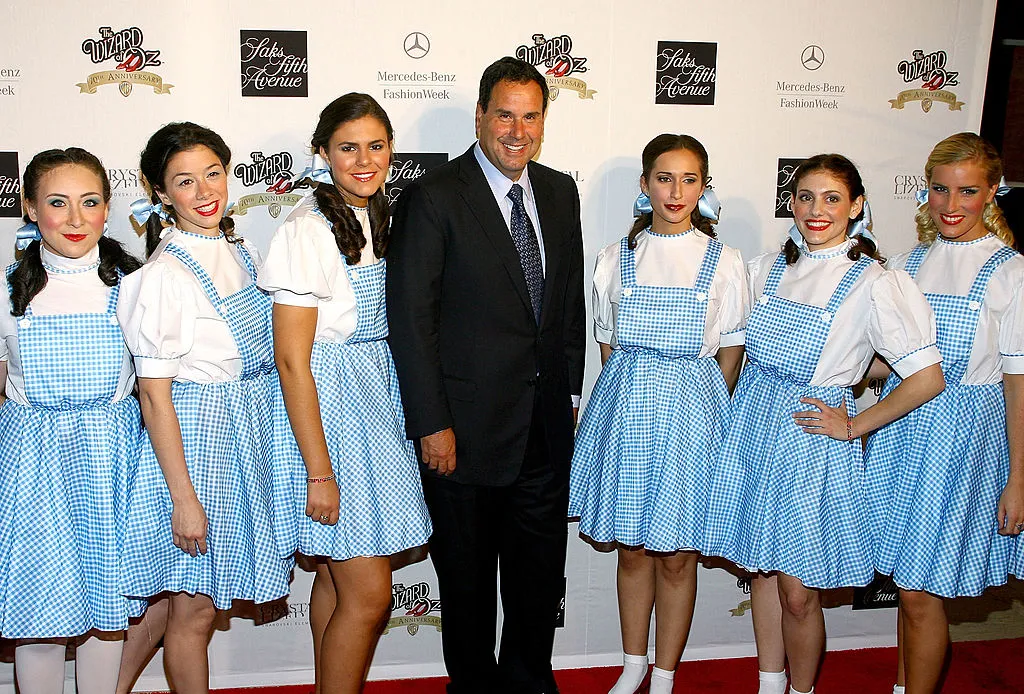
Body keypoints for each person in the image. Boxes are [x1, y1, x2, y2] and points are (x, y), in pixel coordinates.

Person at [702, 154, 945, 694]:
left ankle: (802, 689)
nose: (817, 210)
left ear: (857, 206)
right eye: (806, 197)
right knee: (759, 571)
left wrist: (855, 424)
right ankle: (769, 684)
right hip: (754, 429)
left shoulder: (876, 283)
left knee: (798, 592)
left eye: (833, 198)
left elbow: (926, 377)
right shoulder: (767, 268)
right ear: (791, 202)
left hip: (812, 445)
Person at [386, 56, 586, 694]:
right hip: (462, 435)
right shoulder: (433, 195)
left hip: (544, 431)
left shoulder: (559, 192)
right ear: (480, 115)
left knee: (535, 582)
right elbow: (413, 322)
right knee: (467, 587)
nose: (517, 130)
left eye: (531, 117)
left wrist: (570, 397)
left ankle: (529, 683)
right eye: (505, 114)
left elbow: (565, 307)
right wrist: (431, 424)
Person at [259, 92, 432, 693]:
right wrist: (318, 471)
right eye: (347, 148)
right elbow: (290, 361)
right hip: (329, 418)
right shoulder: (306, 232)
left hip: (373, 406)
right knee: (368, 593)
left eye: (376, 146)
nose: (364, 160)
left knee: (335, 582)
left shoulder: (377, 216)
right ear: (323, 154)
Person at [117, 122, 295, 693]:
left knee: (174, 611)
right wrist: (184, 501)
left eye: (213, 174)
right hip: (197, 449)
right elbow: (154, 396)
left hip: (242, 437)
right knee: (193, 614)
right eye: (185, 182)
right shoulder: (165, 275)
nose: (205, 192)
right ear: (160, 192)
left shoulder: (240, 249)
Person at [568, 134, 746, 694]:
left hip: (693, 417)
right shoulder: (612, 258)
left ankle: (666, 672)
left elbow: (731, 351)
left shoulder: (726, 261)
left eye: (689, 179)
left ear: (704, 188)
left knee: (676, 557)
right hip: (627, 411)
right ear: (644, 185)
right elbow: (607, 348)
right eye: (664, 178)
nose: (676, 191)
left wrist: (700, 416)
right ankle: (633, 662)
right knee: (634, 550)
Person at [865, 132, 1024, 694]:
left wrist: (1019, 479)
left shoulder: (1010, 271)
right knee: (909, 586)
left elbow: (1017, 383)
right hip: (901, 430)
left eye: (968, 191)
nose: (952, 205)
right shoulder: (907, 262)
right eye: (940, 190)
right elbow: (889, 361)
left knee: (919, 590)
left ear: (993, 191)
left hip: (963, 438)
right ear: (925, 190)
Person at [0, 148, 142, 694]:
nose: (76, 218)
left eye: (90, 202)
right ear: (32, 210)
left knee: (107, 617)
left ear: (108, 208)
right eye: (58, 203)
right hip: (31, 465)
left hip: (112, 459)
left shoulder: (133, 285)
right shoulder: (11, 291)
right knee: (40, 613)